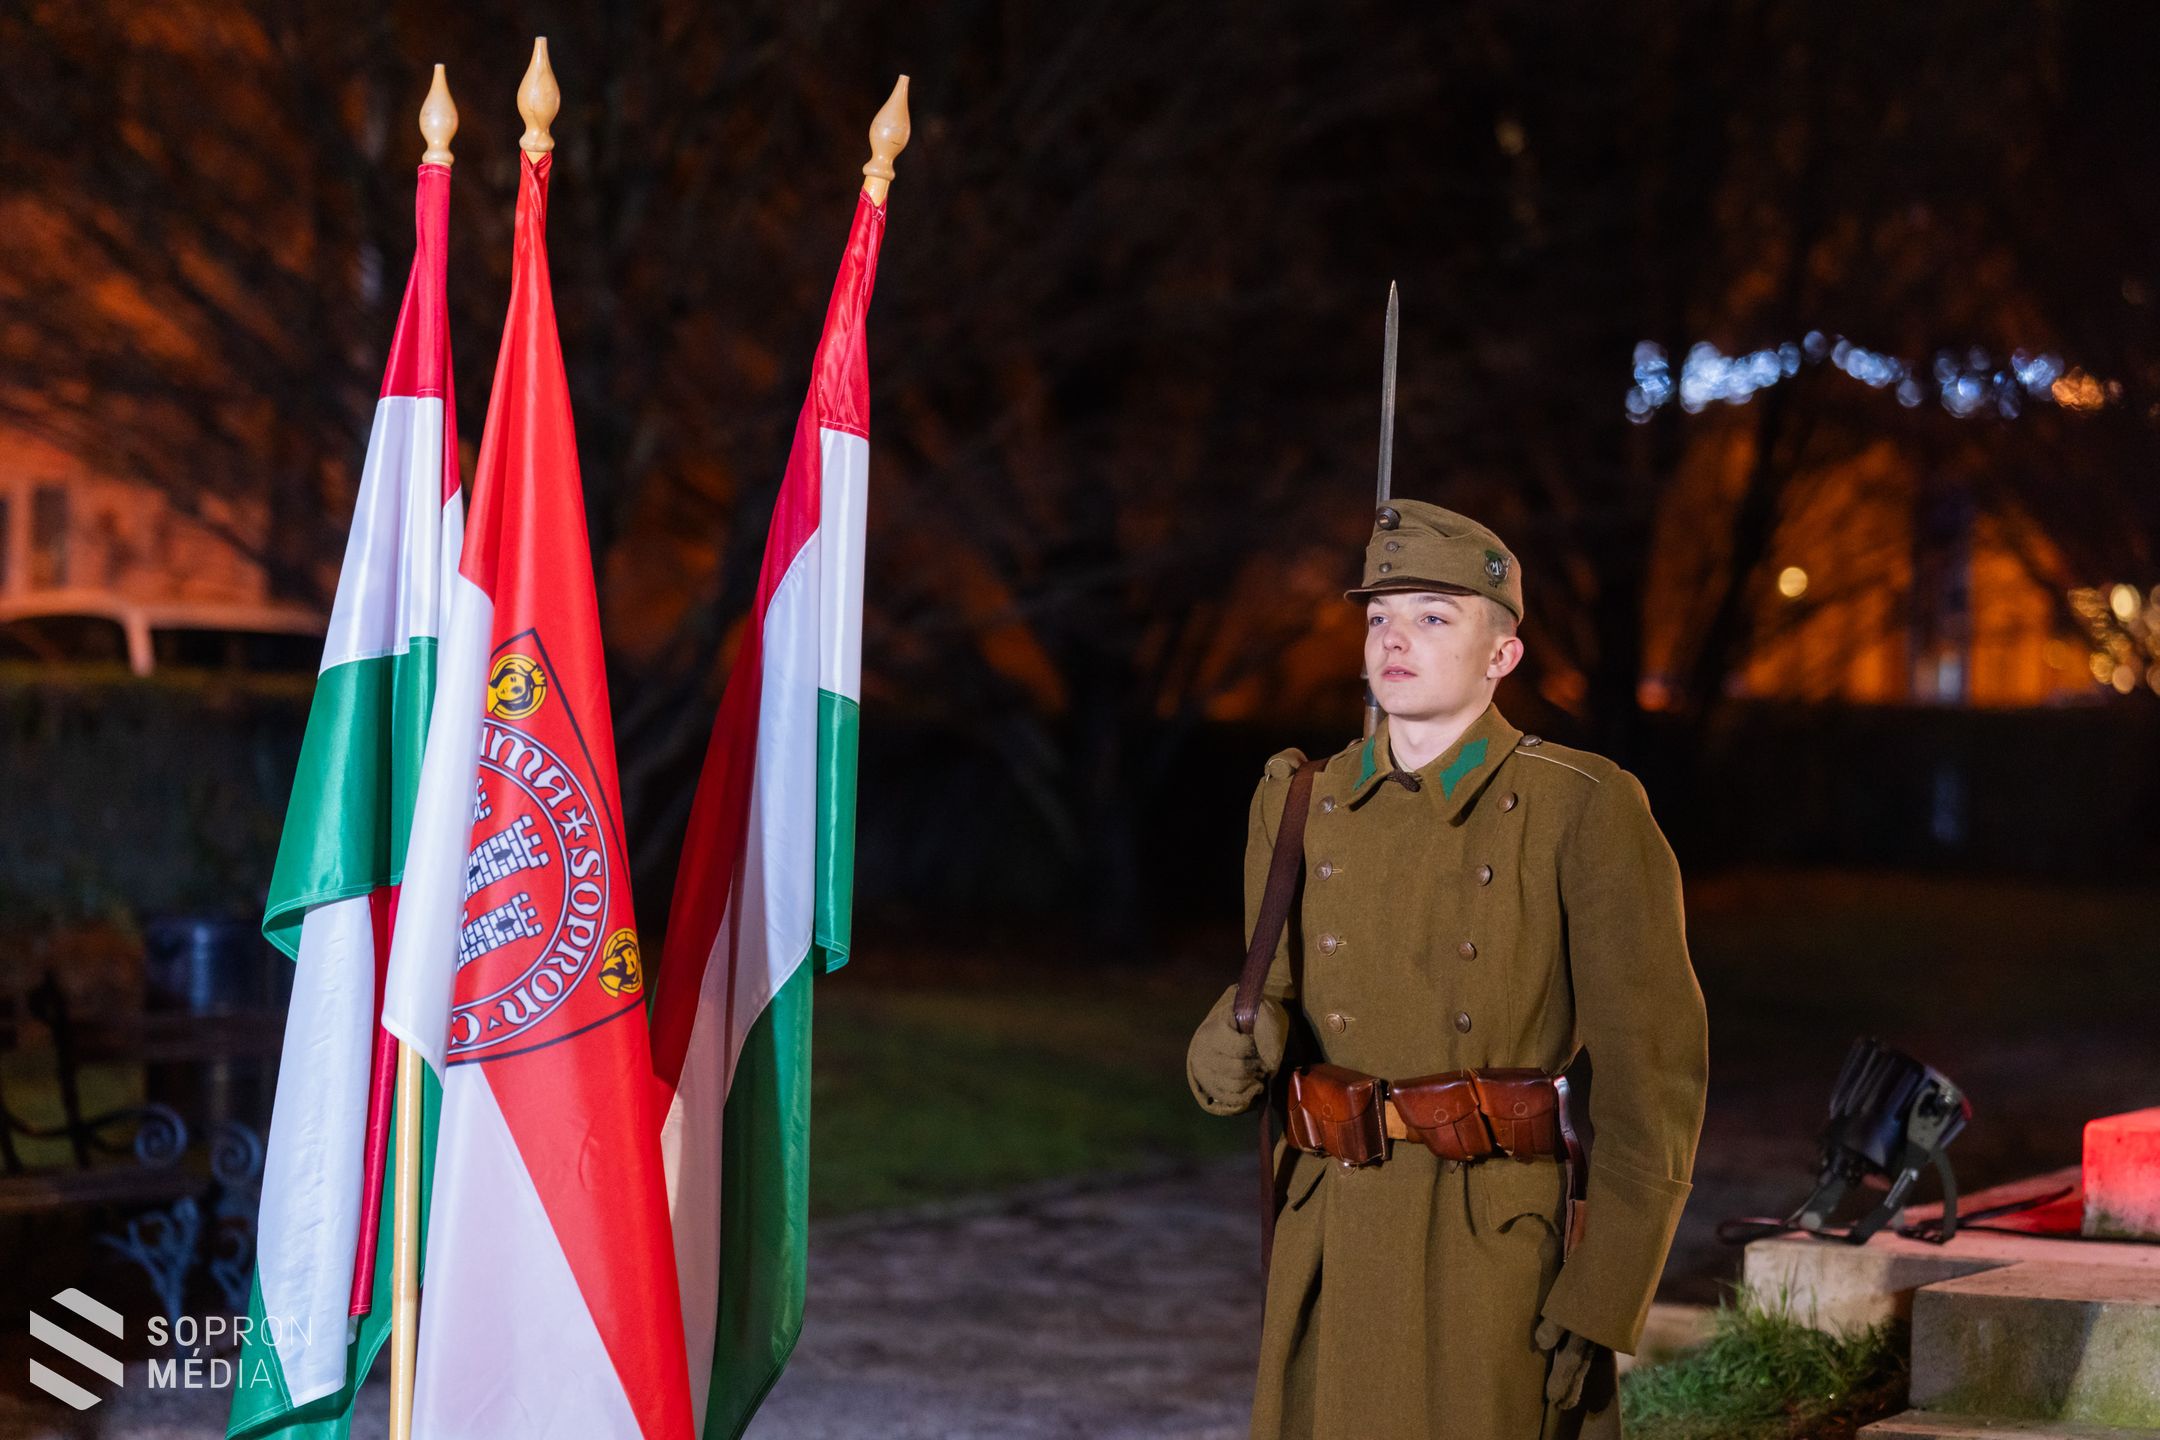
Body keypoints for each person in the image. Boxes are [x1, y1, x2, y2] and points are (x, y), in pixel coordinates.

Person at [1186, 499, 1708, 1440]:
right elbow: (1283, 987)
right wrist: (1238, 1033)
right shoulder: (1303, 799)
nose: (1396, 639)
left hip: (1493, 1236)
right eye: (1380, 617)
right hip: (1332, 1224)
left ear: (1501, 655)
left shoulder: (1582, 807)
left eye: (1434, 616)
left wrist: (1602, 1293)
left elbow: (1653, 1075)